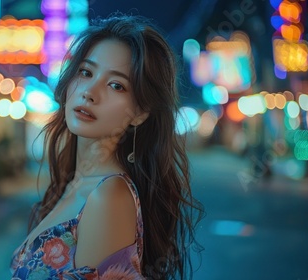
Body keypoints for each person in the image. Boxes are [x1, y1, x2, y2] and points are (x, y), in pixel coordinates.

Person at [10, 14, 204, 279]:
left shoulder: (109, 196)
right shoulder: (76, 184)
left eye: (116, 85)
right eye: (86, 72)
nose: (90, 91)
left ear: (139, 113)